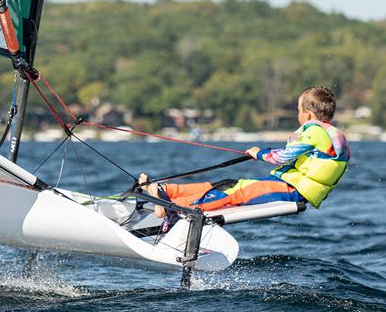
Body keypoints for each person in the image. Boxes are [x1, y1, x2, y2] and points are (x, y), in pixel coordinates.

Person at [140, 86, 350, 216]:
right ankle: (168, 191)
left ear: (308, 114)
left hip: (293, 191)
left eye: (298, 111)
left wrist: (259, 153)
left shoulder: (315, 131)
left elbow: (284, 156)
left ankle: (174, 207)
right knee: (231, 184)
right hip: (289, 186)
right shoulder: (332, 134)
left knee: (237, 191)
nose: (298, 115)